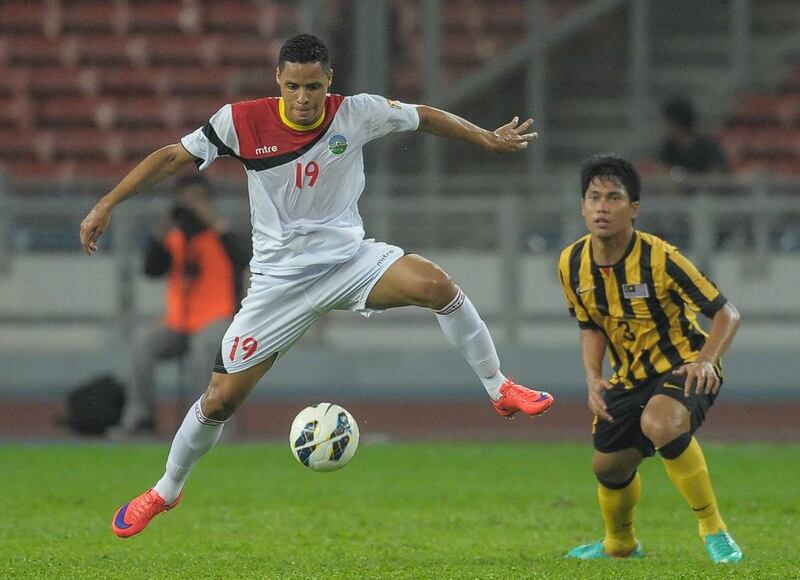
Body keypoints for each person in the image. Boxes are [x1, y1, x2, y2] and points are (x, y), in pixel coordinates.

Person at [79, 33, 554, 538]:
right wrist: (107, 202)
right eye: (292, 87)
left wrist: (485, 137)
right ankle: (165, 491)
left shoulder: (357, 112)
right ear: (277, 84)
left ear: (329, 82)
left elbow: (425, 116)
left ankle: (499, 388)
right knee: (219, 400)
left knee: (438, 286)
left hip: (350, 261)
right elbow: (174, 156)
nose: (302, 98)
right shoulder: (239, 122)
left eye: (312, 86)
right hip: (278, 285)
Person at [558, 154, 743, 563]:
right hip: (629, 377)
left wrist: (707, 361)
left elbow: (726, 314)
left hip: (684, 365)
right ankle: (619, 545)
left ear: (634, 209)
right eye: (594, 198)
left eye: (613, 198)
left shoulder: (662, 258)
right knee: (607, 468)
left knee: (660, 422)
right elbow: (590, 325)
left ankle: (714, 530)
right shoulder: (571, 263)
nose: (602, 207)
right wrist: (592, 378)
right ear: (582, 206)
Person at [109, 175, 250, 438]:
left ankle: (206, 424)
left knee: (203, 347)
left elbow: (244, 257)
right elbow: (151, 268)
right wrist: (165, 223)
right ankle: (140, 419)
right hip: (178, 324)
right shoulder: (174, 239)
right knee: (142, 346)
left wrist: (211, 218)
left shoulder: (221, 235)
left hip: (217, 320)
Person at [658, 97, 729, 179]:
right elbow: (663, 173)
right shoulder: (668, 148)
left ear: (675, 124)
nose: (663, 127)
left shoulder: (708, 146)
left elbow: (718, 176)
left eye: (665, 122)